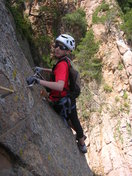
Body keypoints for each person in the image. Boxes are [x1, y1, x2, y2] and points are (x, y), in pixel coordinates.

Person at [28, 34, 87, 153]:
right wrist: (42, 69)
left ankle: (82, 143)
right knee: (71, 119)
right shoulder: (65, 61)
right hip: (65, 98)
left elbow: (59, 86)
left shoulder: (62, 64)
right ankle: (80, 136)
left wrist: (37, 80)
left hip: (64, 100)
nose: (57, 48)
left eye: (62, 47)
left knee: (74, 120)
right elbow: (57, 72)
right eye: (57, 45)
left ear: (68, 51)